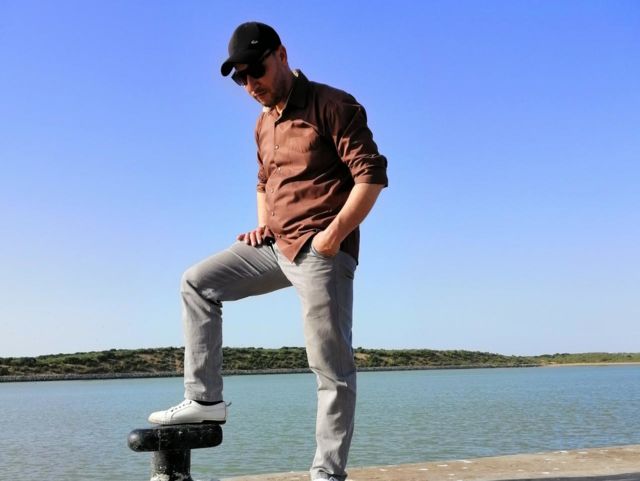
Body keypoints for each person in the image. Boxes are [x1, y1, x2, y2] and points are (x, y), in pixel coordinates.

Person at [148, 21, 388, 481]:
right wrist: (263, 225)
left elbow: (371, 176)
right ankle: (205, 399)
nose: (249, 84)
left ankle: (326, 473)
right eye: (240, 78)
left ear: (281, 55)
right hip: (274, 246)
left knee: (331, 368)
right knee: (197, 283)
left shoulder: (332, 104)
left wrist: (332, 237)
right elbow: (263, 181)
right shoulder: (263, 124)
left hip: (320, 251)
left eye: (254, 71)